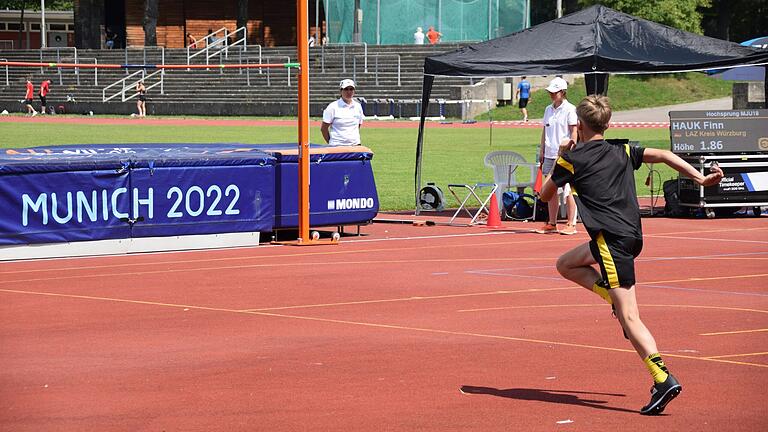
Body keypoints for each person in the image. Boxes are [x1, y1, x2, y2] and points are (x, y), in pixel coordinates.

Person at [541, 95, 723, 415]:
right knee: (566, 264)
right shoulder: (622, 150)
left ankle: (662, 378)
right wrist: (700, 178)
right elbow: (665, 154)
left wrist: (560, 156)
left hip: (613, 242)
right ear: (607, 125)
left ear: (579, 126)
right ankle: (610, 297)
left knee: (630, 317)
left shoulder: (573, 159)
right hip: (629, 236)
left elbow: (545, 195)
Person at [537, 76, 578, 235]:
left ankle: (571, 223)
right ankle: (552, 223)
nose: (552, 95)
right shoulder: (548, 109)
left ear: (563, 92)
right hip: (549, 154)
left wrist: (571, 149)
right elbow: (545, 131)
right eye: (550, 92)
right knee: (550, 189)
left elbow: (574, 131)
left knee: (568, 189)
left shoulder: (570, 109)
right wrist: (542, 151)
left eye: (555, 92)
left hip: (565, 155)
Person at [321, 79, 364, 146]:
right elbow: (324, 128)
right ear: (341, 91)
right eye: (346, 89)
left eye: (351, 89)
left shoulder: (358, 106)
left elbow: (358, 126)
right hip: (337, 146)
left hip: (355, 145)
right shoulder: (332, 107)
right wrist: (331, 142)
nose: (349, 92)